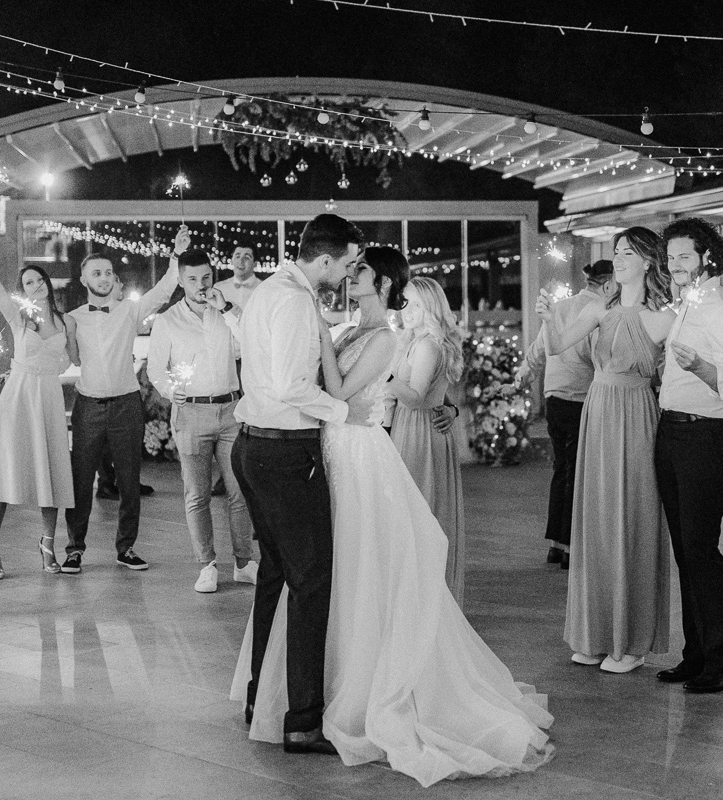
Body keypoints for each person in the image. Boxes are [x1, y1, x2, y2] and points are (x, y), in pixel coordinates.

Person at [233, 245, 554, 786]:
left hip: (357, 456)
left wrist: (316, 330)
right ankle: (316, 685)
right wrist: (319, 334)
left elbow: (335, 389)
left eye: (358, 272)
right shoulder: (352, 327)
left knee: (349, 567)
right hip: (331, 448)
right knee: (323, 571)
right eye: (348, 268)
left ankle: (352, 689)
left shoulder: (383, 337)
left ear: (381, 283)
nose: (349, 277)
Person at [230, 213, 368, 755]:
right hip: (284, 453)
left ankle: (258, 696)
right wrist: (340, 411)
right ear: (327, 259)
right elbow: (290, 385)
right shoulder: (291, 299)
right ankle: (303, 720)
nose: (350, 273)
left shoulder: (275, 290)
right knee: (311, 580)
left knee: (276, 574)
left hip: (257, 447)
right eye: (349, 263)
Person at [537, 226, 676, 675]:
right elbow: (557, 344)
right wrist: (545, 317)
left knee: (633, 517)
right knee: (596, 517)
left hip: (637, 415)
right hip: (598, 411)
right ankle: (595, 634)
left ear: (649, 261)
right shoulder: (600, 307)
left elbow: (673, 378)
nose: (617, 258)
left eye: (627, 252)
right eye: (615, 251)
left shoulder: (665, 318)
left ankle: (631, 641)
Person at [655, 217, 723, 694]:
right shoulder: (688, 306)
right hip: (672, 431)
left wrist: (703, 367)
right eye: (671, 257)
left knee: (700, 548)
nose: (674, 265)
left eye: (684, 256)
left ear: (708, 257)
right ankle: (695, 655)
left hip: (705, 436)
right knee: (684, 550)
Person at [62, 227, 188, 573]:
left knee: (130, 481)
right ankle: (74, 549)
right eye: (96, 273)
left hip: (126, 404)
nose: (103, 278)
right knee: (81, 479)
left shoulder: (129, 311)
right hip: (87, 405)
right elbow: (67, 358)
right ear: (84, 278)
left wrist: (176, 255)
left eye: (107, 273)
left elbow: (164, 291)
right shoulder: (72, 318)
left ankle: (127, 547)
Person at [147, 250, 256, 593]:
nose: (200, 285)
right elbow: (154, 369)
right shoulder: (167, 321)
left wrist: (226, 308)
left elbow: (252, 342)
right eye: (192, 279)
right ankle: (206, 564)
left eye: (206, 277)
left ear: (213, 277)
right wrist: (169, 390)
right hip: (190, 412)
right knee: (197, 494)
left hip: (231, 411)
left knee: (240, 492)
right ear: (180, 281)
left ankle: (243, 563)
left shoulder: (227, 313)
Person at [0, 219, 73, 578]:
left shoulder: (65, 323)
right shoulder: (19, 319)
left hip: (48, 397)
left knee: (52, 473)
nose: (36, 285)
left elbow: (75, 357)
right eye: (29, 283)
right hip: (19, 395)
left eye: (39, 279)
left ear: (48, 284)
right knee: (5, 469)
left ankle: (48, 545)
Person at [517, 260, 613, 571]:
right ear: (608, 283)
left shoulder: (559, 307)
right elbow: (596, 357)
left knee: (562, 470)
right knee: (579, 472)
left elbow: (539, 348)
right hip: (580, 400)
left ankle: (556, 546)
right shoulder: (598, 311)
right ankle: (571, 545)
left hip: (554, 398)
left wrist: (522, 376)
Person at [385, 273, 467, 604]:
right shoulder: (412, 340)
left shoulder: (429, 345)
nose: (409, 309)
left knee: (420, 514)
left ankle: (425, 600)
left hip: (419, 431)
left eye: (417, 304)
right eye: (406, 302)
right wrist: (453, 409)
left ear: (431, 307)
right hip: (417, 426)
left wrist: (384, 374)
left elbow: (417, 397)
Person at [213, 241, 262, 314]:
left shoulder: (263, 288)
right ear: (232, 261)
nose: (241, 261)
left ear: (255, 264)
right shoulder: (219, 288)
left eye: (247, 258)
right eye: (237, 256)